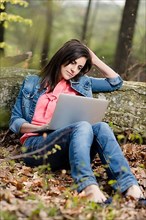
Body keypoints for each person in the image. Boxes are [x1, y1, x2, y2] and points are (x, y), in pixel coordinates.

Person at [9, 39, 144, 204]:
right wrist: (41, 127)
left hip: (72, 148)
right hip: (36, 146)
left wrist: (93, 58)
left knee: (101, 127)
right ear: (62, 57)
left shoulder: (82, 82)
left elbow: (115, 82)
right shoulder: (31, 82)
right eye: (72, 63)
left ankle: (129, 186)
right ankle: (88, 187)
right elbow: (15, 120)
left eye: (79, 67)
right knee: (82, 125)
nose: (74, 70)